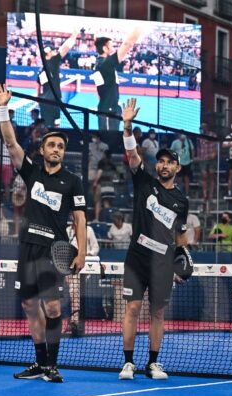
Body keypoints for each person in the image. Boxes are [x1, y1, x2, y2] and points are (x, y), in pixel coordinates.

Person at [0, 83, 86, 383]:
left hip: (54, 250)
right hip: (28, 247)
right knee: (29, 305)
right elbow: (10, 144)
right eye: (52, 145)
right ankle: (41, 363)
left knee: (54, 307)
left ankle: (53, 365)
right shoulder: (32, 171)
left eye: (60, 146)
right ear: (43, 150)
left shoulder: (72, 181)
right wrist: (2, 109)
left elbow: (80, 218)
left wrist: (82, 252)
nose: (56, 149)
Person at [117, 98, 190, 381]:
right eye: (161, 161)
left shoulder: (181, 201)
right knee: (133, 308)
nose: (164, 165)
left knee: (157, 313)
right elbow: (132, 154)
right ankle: (128, 363)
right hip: (136, 258)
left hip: (162, 262)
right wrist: (127, 126)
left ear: (177, 168)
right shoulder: (144, 181)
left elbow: (180, 234)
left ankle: (153, 363)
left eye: (170, 162)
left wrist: (181, 261)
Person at [93, 28, 143, 130]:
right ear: (105, 48)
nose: (113, 48)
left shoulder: (99, 63)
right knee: (109, 137)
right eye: (111, 46)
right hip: (109, 111)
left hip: (109, 108)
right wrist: (140, 28)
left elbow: (99, 90)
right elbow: (127, 44)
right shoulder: (105, 63)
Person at [65, 219, 99, 335]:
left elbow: (95, 247)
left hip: (84, 265)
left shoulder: (89, 230)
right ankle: (72, 320)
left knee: (74, 290)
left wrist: (87, 255)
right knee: (71, 292)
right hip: (69, 266)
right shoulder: (67, 230)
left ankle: (75, 320)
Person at [38, 31, 78, 127]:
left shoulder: (42, 67)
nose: (55, 52)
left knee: (45, 125)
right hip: (54, 100)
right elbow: (65, 48)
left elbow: (38, 85)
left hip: (44, 101)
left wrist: (38, 98)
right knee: (56, 125)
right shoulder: (54, 61)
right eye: (53, 51)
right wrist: (74, 36)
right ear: (49, 53)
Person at [196, 124, 217, 202]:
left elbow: (217, 146)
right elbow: (198, 147)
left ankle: (211, 195)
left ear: (207, 128)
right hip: (203, 158)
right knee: (204, 176)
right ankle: (205, 195)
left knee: (211, 176)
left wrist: (215, 153)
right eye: (200, 128)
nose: (202, 129)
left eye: (203, 128)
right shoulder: (199, 137)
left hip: (211, 158)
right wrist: (198, 156)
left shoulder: (213, 135)